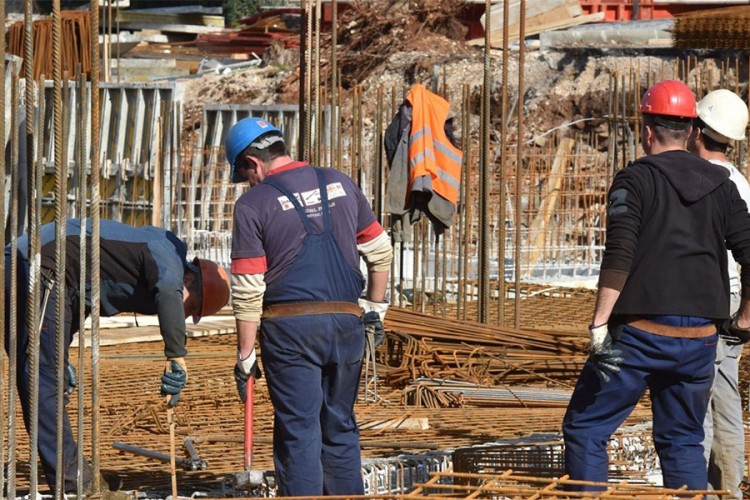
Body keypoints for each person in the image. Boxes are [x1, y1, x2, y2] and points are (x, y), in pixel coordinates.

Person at [562, 80, 750, 492]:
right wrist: (744, 320)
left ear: (647, 130)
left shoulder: (635, 179)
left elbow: (619, 254)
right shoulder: (724, 185)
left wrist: (599, 326)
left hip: (641, 334)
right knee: (683, 440)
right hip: (702, 338)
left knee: (586, 428)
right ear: (691, 131)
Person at [224, 117, 393, 496]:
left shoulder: (254, 204)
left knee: (299, 432)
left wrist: (246, 355)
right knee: (340, 427)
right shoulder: (340, 182)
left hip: (291, 331)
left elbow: (249, 289)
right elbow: (380, 252)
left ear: (253, 162)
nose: (248, 183)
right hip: (347, 324)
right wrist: (375, 310)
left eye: (245, 174)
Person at [5, 218, 230, 494]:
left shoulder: (135, 265)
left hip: (42, 271)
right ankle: (76, 486)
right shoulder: (167, 252)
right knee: (44, 384)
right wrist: (176, 355)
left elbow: (82, 297)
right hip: (39, 267)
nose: (183, 315)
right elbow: (169, 292)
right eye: (191, 305)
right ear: (189, 278)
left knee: (42, 380)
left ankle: (77, 477)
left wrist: (61, 355)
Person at [687, 88, 750, 499]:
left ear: (698, 130)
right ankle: (728, 482)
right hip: (732, 300)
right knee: (721, 390)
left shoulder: (708, 183)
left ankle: (715, 489)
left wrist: (743, 318)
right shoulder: (741, 182)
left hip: (714, 299)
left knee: (702, 396)